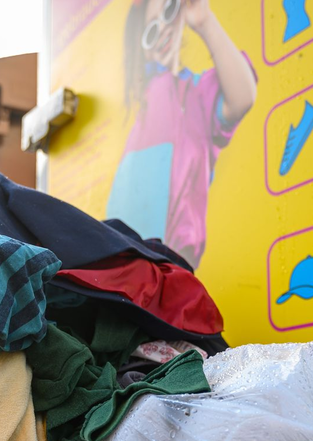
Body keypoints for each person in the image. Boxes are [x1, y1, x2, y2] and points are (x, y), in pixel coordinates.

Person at [106, 0, 257, 269]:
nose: (162, 30)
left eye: (168, 12)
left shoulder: (195, 94)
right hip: (130, 273)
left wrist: (204, 21)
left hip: (174, 270)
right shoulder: (142, 109)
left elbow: (243, 97)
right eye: (151, 30)